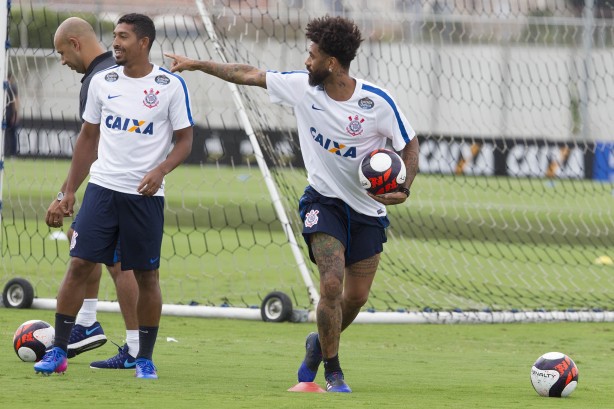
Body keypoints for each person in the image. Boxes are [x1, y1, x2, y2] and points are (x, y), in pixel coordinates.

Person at [165, 15, 419, 392]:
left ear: (331, 62)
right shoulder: (302, 88)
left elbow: (409, 144)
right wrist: (198, 64)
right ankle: (333, 371)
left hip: (368, 211)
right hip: (323, 202)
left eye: (312, 54)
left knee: (356, 298)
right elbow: (248, 73)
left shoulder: (377, 102)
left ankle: (319, 343)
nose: (306, 60)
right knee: (331, 285)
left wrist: (404, 185)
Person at [35, 13, 194, 379]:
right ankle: (58, 349)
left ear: (144, 42)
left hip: (144, 198)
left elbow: (185, 140)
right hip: (102, 191)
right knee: (78, 264)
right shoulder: (102, 82)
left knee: (146, 276)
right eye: (114, 36)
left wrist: (161, 171)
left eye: (123, 36)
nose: (116, 43)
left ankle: (144, 358)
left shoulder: (169, 85)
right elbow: (88, 138)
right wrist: (69, 191)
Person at [47, 16, 141, 369]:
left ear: (74, 42)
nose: (62, 61)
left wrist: (65, 193)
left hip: (118, 185)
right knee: (86, 243)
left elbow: (94, 143)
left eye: (61, 52)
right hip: (121, 182)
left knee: (118, 264)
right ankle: (87, 323)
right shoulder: (105, 74)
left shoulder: (101, 79)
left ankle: (132, 347)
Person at [4, 72, 19, 157]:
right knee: (12, 134)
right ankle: (12, 154)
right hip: (10, 114)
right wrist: (16, 114)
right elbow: (16, 101)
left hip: (5, 114)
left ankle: (7, 152)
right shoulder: (13, 87)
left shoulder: (8, 87)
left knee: (6, 134)